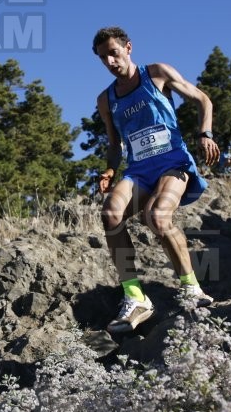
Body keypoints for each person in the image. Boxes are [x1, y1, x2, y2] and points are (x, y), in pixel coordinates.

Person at [93, 26, 219, 333]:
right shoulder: (106, 100)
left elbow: (203, 100)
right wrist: (110, 170)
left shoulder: (157, 74)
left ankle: (191, 286)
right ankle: (135, 297)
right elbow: (114, 145)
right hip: (138, 170)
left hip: (173, 161)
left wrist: (205, 134)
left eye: (113, 52)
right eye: (102, 57)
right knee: (110, 214)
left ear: (128, 47)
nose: (110, 61)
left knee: (157, 217)